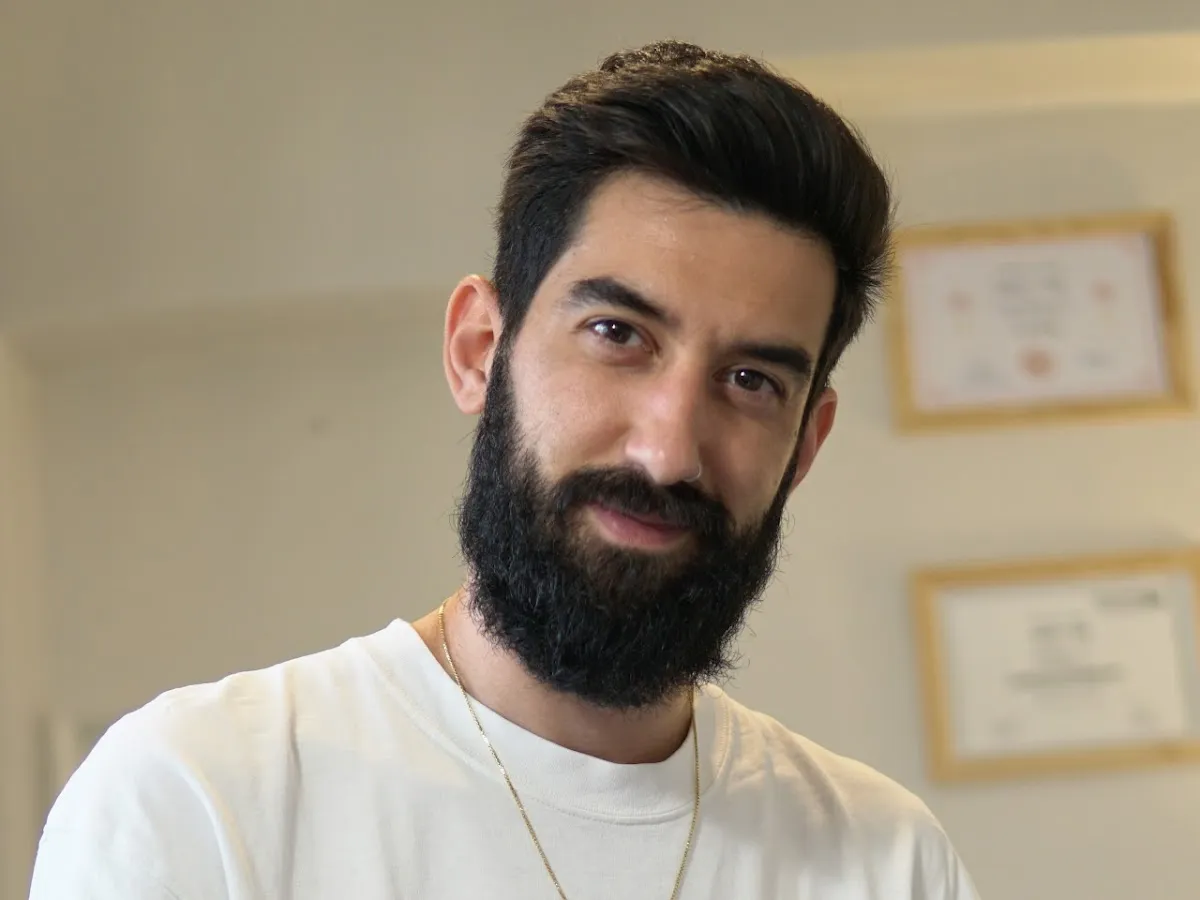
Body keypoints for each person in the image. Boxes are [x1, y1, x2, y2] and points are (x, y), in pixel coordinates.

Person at [30, 40, 980, 900]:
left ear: (805, 445)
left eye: (750, 381)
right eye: (618, 334)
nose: (667, 451)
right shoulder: (201, 796)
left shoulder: (885, 862)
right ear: (479, 350)